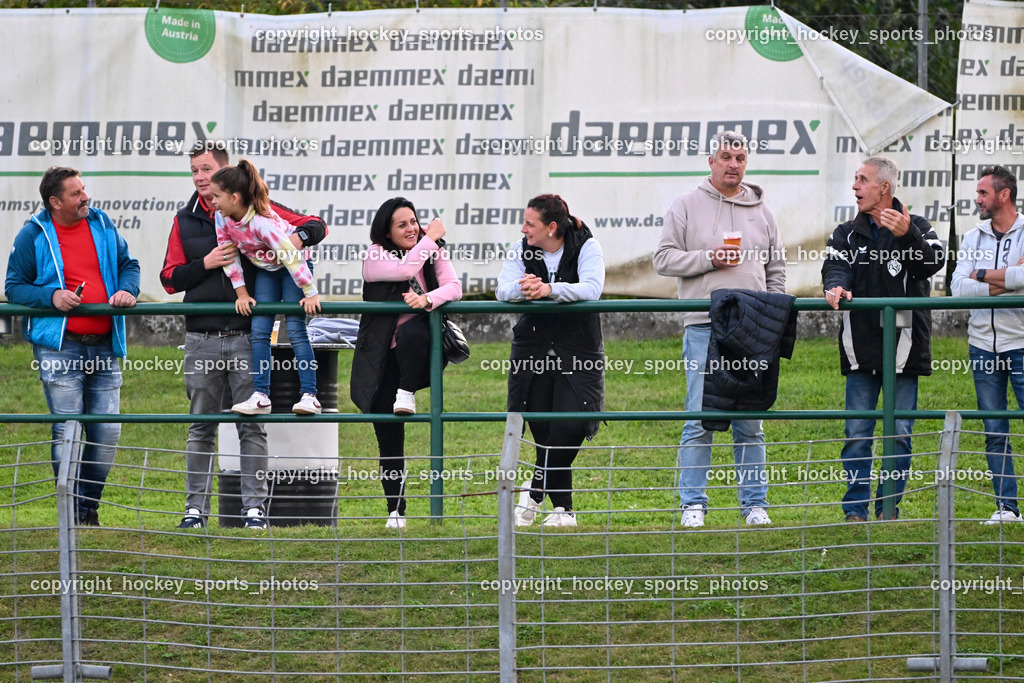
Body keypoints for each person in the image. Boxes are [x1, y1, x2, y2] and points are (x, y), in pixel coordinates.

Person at [160, 141, 327, 531]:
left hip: (245, 336)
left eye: (206, 170)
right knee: (200, 425)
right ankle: (194, 511)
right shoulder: (185, 221)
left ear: (226, 176)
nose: (200, 178)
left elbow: (315, 224)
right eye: (194, 172)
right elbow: (169, 280)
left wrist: (289, 249)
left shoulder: (259, 210)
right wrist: (205, 263)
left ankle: (254, 510)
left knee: (252, 425)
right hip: (200, 336)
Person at [653, 131, 785, 528]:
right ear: (711, 161)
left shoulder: (763, 211)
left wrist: (773, 316)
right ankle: (692, 504)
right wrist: (709, 258)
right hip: (704, 326)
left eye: (740, 157)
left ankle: (755, 505)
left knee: (750, 420)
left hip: (753, 330)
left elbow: (776, 270)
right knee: (699, 416)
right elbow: (663, 258)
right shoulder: (686, 205)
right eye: (726, 156)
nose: (733, 164)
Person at [5, 166, 140, 526]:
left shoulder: (102, 222)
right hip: (59, 347)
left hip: (106, 345)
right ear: (55, 202)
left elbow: (130, 265)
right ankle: (72, 515)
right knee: (68, 429)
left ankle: (87, 509)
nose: (86, 197)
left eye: (84, 190)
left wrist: (129, 289)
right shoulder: (32, 234)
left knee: (107, 431)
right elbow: (14, 287)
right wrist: (51, 295)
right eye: (77, 193)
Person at [822, 156, 945, 522]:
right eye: (855, 179)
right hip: (859, 346)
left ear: (884, 188)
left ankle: (888, 508)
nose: (855, 186)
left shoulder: (918, 226)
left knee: (900, 433)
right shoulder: (846, 231)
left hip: (904, 351)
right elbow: (834, 265)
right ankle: (855, 511)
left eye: (862, 180)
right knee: (857, 431)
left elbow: (932, 264)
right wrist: (835, 285)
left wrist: (907, 235)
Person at [350, 197, 462, 529]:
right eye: (402, 225)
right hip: (381, 357)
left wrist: (428, 298)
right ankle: (395, 511)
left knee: (416, 327)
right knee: (388, 436)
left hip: (418, 353)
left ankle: (407, 390)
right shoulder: (375, 254)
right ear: (386, 231)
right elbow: (404, 269)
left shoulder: (432, 249)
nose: (412, 228)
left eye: (414, 221)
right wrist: (430, 239)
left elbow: (454, 287)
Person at [498, 194, 605, 528]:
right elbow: (503, 290)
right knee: (542, 428)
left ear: (552, 227)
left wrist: (551, 290)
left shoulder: (588, 245)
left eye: (530, 223)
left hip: (579, 350)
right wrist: (526, 287)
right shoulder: (519, 249)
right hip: (532, 347)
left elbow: (592, 289)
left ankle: (536, 487)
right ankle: (563, 510)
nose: (523, 228)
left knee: (571, 424)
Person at [208, 159, 322, 423]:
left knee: (295, 328)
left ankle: (310, 395)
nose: (212, 201)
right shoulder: (222, 218)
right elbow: (228, 254)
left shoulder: (262, 224)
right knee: (260, 331)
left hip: (294, 265)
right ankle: (261, 395)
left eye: (217, 196)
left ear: (235, 198)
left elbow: (291, 256)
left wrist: (310, 292)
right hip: (268, 269)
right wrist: (242, 293)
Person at [951, 165, 1024, 524]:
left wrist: (980, 275)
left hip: (1022, 344)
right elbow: (958, 288)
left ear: (1003, 195)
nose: (977, 199)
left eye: (982, 193)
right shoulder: (972, 236)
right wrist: (1005, 280)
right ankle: (1007, 508)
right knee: (994, 430)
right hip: (982, 346)